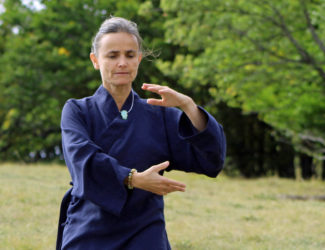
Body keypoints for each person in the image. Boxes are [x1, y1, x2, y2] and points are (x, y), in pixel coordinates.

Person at [56, 17, 226, 249]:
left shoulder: (160, 113)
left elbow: (211, 160)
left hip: (145, 229)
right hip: (90, 225)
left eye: (130, 54)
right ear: (95, 60)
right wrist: (132, 179)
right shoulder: (77, 110)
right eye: (112, 55)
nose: (122, 63)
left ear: (139, 58)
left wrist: (188, 106)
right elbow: (83, 159)